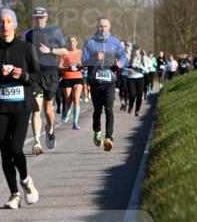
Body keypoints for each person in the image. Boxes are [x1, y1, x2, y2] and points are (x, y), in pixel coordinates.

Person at [0, 8, 40, 209]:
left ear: (14, 24)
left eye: (8, 21)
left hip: (22, 106)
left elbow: (39, 77)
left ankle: (25, 179)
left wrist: (21, 76)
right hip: (1, 108)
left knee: (16, 148)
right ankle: (14, 194)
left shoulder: (26, 48)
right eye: (1, 22)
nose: (4, 25)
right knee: (5, 152)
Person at [82, 17, 128, 152]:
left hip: (110, 81)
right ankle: (97, 131)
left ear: (110, 26)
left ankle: (109, 138)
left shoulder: (115, 43)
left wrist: (120, 63)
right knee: (97, 111)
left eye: (105, 26)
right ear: (96, 27)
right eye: (100, 26)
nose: (103, 28)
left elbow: (123, 57)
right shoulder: (90, 43)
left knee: (109, 109)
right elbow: (84, 61)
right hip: (95, 81)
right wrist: (95, 58)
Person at [23, 7, 65, 154]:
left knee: (48, 110)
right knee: (35, 110)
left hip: (50, 74)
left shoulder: (54, 32)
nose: (38, 19)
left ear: (46, 17)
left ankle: (50, 127)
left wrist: (50, 51)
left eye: (41, 17)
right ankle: (36, 142)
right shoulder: (27, 34)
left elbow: (65, 51)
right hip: (34, 75)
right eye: (36, 17)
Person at [57, 36, 84, 129]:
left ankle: (75, 123)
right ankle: (66, 113)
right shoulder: (65, 53)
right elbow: (59, 66)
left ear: (76, 42)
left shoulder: (81, 52)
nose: (72, 43)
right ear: (68, 43)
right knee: (69, 101)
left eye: (73, 41)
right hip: (67, 78)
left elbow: (86, 64)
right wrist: (67, 68)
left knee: (76, 98)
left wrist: (82, 67)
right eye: (70, 41)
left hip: (78, 78)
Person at [126, 46, 146, 116]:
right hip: (131, 78)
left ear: (139, 50)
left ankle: (137, 110)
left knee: (139, 95)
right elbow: (123, 67)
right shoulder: (129, 58)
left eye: (137, 50)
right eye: (134, 50)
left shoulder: (143, 58)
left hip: (140, 78)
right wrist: (129, 70)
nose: (136, 52)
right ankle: (131, 106)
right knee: (132, 95)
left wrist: (142, 66)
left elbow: (147, 70)